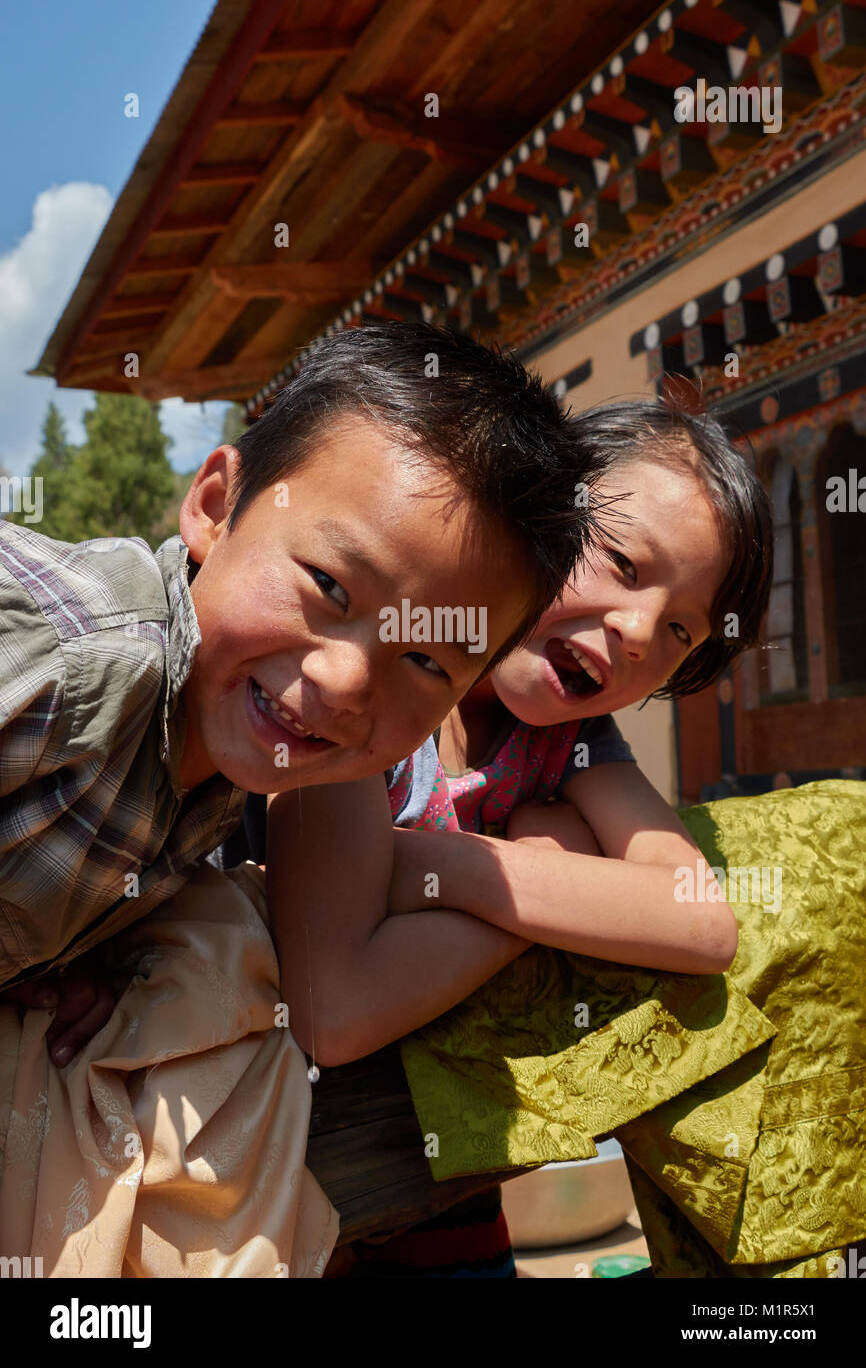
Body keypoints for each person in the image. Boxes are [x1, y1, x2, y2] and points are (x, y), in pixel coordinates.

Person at [0, 322, 612, 1277]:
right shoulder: (74, 661)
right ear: (215, 504)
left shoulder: (218, 765)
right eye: (328, 585)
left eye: (424, 660)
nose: (341, 681)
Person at [267, 398, 773, 1277]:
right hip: (272, 1185)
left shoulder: (570, 743)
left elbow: (701, 919)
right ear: (534, 510)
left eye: (683, 630)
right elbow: (335, 1008)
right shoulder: (376, 682)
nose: (639, 631)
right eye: (620, 561)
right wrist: (558, 873)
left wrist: (456, 867)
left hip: (444, 1182)